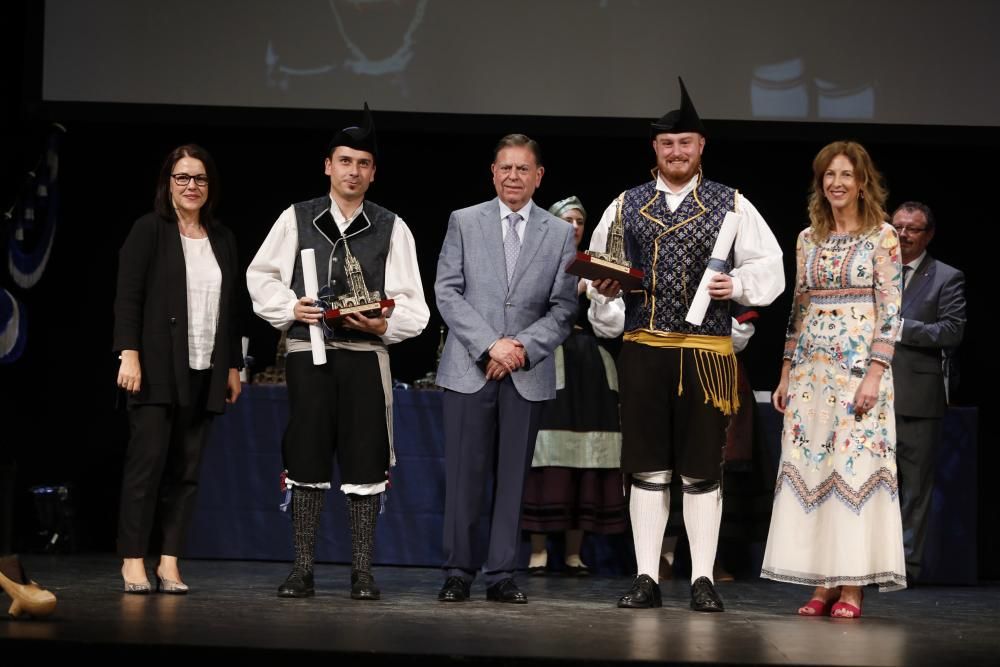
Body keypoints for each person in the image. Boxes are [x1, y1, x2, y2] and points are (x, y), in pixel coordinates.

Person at [591, 78, 784, 612]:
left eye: (686, 142)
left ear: (701, 147)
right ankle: (646, 576)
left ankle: (703, 577)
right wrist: (604, 295)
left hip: (705, 354)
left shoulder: (732, 204)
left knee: (702, 468)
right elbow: (600, 281)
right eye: (667, 143)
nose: (676, 151)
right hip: (645, 349)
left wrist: (736, 286)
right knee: (647, 467)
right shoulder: (624, 205)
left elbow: (769, 268)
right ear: (655, 149)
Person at [246, 104, 429, 600]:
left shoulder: (392, 227)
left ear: (373, 172)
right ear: (328, 164)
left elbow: (415, 304)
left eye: (363, 163)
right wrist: (293, 306)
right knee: (306, 453)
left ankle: (362, 571)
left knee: (366, 458)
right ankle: (302, 567)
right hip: (311, 354)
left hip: (367, 358)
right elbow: (260, 276)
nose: (353, 171)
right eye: (345, 161)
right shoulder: (297, 218)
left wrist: (382, 322)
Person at [764, 140, 907, 618]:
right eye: (829, 175)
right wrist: (785, 371)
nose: (836, 183)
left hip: (858, 376)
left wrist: (874, 373)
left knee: (853, 471)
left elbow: (891, 313)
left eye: (846, 174)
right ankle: (823, 582)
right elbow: (798, 309)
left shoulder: (883, 237)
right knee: (815, 470)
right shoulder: (809, 238)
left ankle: (852, 586)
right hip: (811, 378)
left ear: (863, 182)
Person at [435, 134, 577, 603]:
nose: (513, 177)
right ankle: (458, 570)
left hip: (526, 369)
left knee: (513, 477)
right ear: (492, 173)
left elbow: (561, 309)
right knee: (464, 477)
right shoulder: (463, 221)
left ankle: (501, 574)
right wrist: (490, 346)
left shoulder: (558, 234)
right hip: (469, 368)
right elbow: (447, 291)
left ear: (539, 177)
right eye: (505, 168)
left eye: (523, 169)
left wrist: (519, 347)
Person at [114, 144, 242, 594]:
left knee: (186, 472)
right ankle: (133, 561)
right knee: (146, 467)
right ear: (168, 184)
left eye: (200, 179)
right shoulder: (148, 230)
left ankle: (169, 562)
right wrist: (128, 353)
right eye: (183, 178)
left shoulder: (221, 238)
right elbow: (128, 296)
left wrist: (232, 364)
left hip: (204, 367)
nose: (192, 186)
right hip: (155, 370)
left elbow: (230, 308)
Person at [520, 196, 626, 577]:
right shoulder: (534, 260)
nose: (575, 225)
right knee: (545, 456)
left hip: (590, 366)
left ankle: (574, 552)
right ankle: (537, 551)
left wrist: (597, 293)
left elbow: (612, 324)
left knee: (589, 457)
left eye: (580, 220)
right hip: (548, 361)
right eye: (567, 219)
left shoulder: (596, 267)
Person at [889, 201, 966, 583]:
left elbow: (952, 331)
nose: (902, 235)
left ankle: (906, 568)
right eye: (897, 227)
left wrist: (904, 329)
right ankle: (870, 564)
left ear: (928, 234)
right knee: (872, 485)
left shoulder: (946, 277)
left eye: (912, 229)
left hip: (918, 398)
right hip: (870, 398)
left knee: (914, 491)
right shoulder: (876, 271)